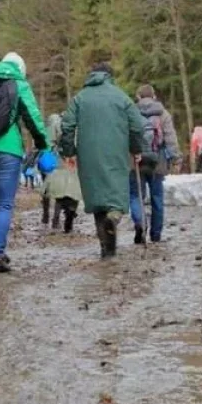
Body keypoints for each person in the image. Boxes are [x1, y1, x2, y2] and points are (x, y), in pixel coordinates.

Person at [60, 63, 151, 259]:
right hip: (117, 152)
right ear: (110, 76)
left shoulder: (80, 98)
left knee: (97, 200)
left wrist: (69, 151)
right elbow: (137, 126)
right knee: (115, 194)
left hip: (88, 153)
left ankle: (107, 251)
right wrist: (136, 148)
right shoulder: (121, 97)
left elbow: (67, 125)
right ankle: (115, 217)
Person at [0, 52, 47, 273]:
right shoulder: (19, 84)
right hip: (8, 150)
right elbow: (33, 117)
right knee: (3, 204)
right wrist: (43, 144)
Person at [133, 84, 180, 244]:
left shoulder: (131, 112)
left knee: (135, 195)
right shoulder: (163, 114)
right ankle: (156, 234)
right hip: (157, 161)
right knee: (157, 198)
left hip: (135, 161)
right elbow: (170, 138)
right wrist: (175, 158)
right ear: (154, 96)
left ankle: (140, 222)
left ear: (138, 97)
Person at [43, 156, 82, 234]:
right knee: (63, 210)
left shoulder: (77, 169)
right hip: (64, 194)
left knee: (68, 211)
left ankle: (65, 226)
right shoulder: (59, 167)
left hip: (69, 194)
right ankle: (58, 225)